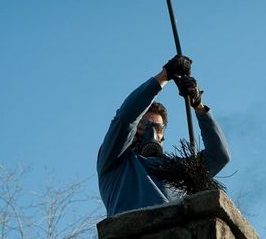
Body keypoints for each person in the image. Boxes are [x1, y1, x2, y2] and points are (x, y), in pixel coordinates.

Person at [97, 55, 230, 217]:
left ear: (163, 135)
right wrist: (165, 76)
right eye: (144, 126)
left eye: (158, 128)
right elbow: (125, 118)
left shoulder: (178, 172)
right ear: (134, 130)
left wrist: (198, 105)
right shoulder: (116, 161)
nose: (151, 132)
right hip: (131, 237)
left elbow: (219, 155)